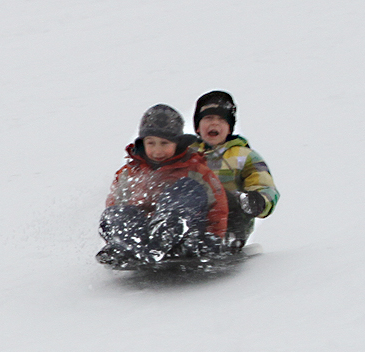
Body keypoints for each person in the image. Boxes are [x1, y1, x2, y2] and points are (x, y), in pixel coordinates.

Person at [97, 104, 228, 265]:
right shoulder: (130, 172)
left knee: (186, 189)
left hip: (185, 239)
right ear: (142, 142)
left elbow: (217, 207)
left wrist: (214, 238)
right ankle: (130, 248)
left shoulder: (195, 170)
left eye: (164, 144)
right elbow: (116, 203)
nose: (157, 151)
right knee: (116, 213)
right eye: (151, 143)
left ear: (177, 143)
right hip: (141, 239)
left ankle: (163, 240)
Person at [191, 90, 279, 249]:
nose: (214, 124)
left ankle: (223, 243)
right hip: (192, 220)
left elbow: (265, 187)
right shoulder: (186, 154)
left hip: (229, 223)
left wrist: (257, 200)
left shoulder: (244, 156)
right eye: (208, 118)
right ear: (197, 127)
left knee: (230, 198)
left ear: (230, 128)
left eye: (221, 120)